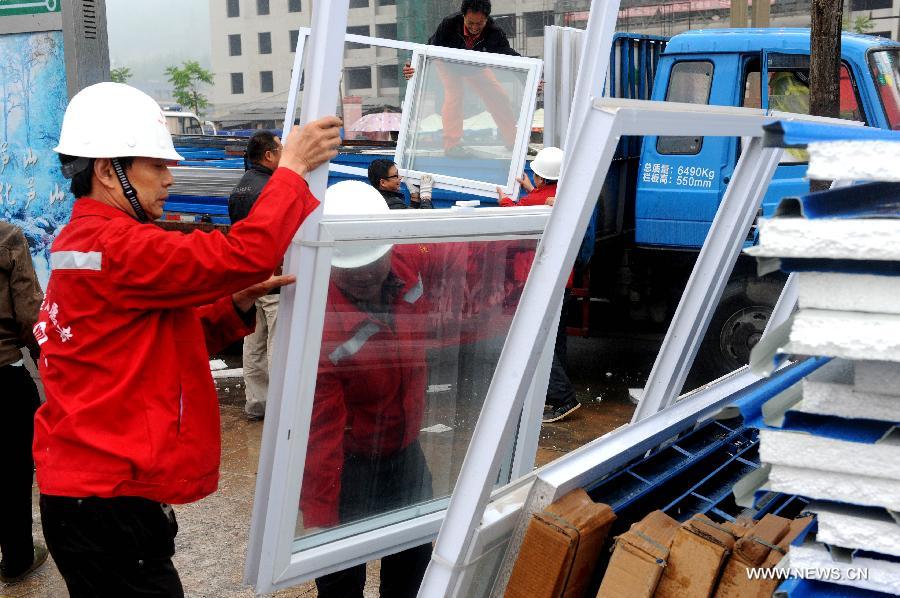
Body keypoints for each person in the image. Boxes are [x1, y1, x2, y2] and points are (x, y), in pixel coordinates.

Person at [32, 82, 341, 597]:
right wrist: (290, 171)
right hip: (106, 500)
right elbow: (244, 252)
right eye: (157, 165)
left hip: (93, 494)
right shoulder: (118, 245)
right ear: (109, 171)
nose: (170, 178)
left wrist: (235, 303)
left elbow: (148, 348)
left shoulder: (80, 241)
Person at [497, 147, 581, 423]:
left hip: (539, 282)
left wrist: (504, 201)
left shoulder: (535, 202)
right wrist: (530, 189)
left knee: (539, 341)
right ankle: (555, 394)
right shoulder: (565, 196)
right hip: (563, 280)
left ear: (542, 177)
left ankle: (564, 399)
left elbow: (517, 216)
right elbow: (541, 201)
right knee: (556, 342)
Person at [403, 0, 519, 155]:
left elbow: (512, 58)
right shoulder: (449, 24)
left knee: (499, 96)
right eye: (470, 22)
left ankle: (513, 142)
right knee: (455, 96)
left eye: (480, 23)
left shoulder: (494, 32)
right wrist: (413, 66)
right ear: (463, 16)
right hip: (447, 64)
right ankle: (452, 145)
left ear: (487, 19)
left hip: (474, 67)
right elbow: (428, 50)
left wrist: (533, 79)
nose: (475, 27)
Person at [0, 222, 47, 585]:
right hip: (3, 375)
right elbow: (30, 314)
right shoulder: (7, 236)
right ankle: (16, 557)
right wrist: (49, 363)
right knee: (13, 470)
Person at [228, 130, 284, 421]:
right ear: (268, 156)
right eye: (280, 150)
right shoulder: (271, 188)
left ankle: (257, 403)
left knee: (253, 342)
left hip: (246, 277)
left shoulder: (240, 187)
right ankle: (278, 407)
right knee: (277, 342)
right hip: (271, 275)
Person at [366, 158, 434, 209]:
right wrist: (426, 197)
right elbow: (422, 222)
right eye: (396, 175)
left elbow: (409, 215)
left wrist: (415, 197)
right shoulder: (392, 203)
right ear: (383, 182)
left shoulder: (375, 197)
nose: (400, 177)